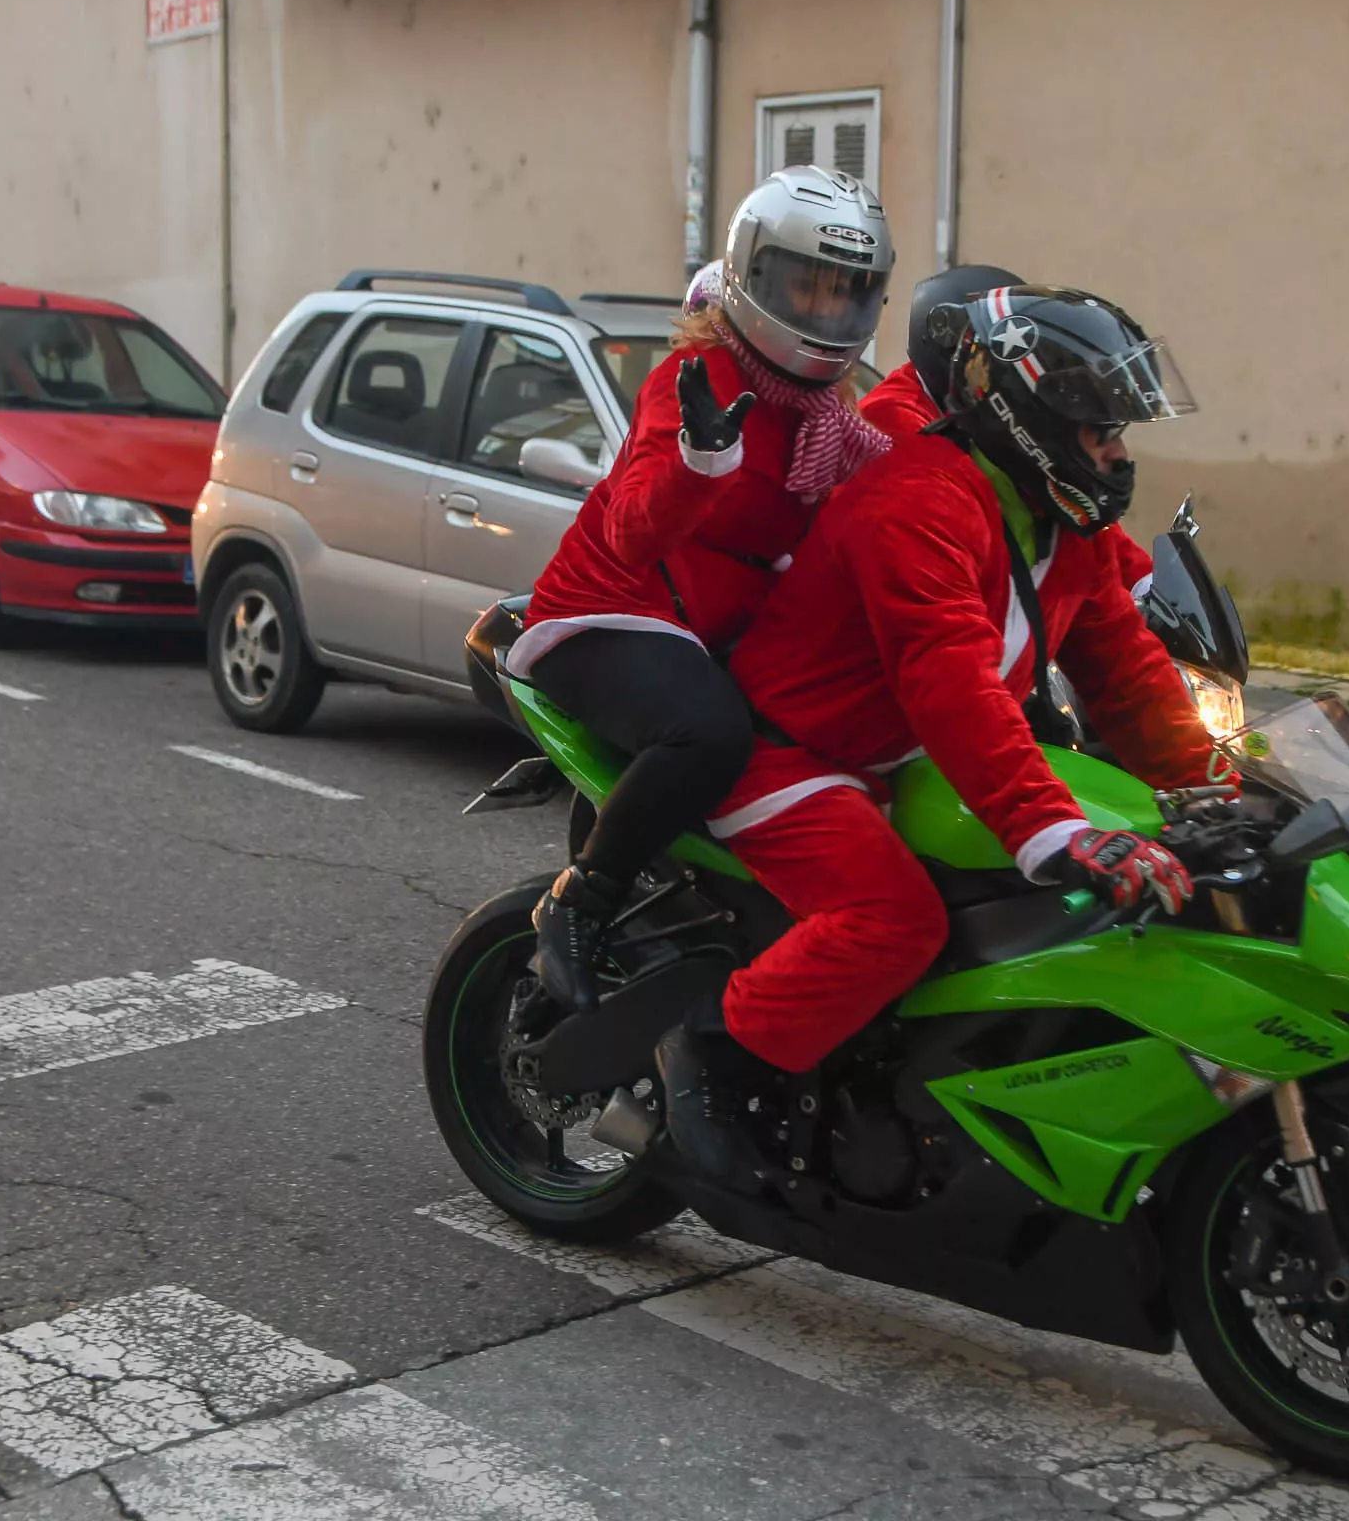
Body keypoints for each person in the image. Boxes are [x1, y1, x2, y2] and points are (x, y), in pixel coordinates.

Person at [655, 284, 1229, 1187]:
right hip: (794, 752)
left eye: (1122, 430)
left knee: (1021, 906)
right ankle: (714, 1054)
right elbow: (949, 678)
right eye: (1101, 430)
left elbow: (1129, 678)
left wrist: (1231, 790)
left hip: (896, 753)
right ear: (1032, 414)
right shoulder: (918, 501)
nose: (1119, 453)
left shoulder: (1057, 518)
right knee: (897, 921)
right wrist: (1059, 831)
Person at [506, 166, 897, 1012]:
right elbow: (632, 530)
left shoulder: (831, 416)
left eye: (848, 293)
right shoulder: (699, 377)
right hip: (610, 610)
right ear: (754, 277)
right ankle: (580, 902)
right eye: (808, 286)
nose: (829, 312)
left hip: (717, 626)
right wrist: (700, 460)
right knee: (710, 737)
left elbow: (895, 498)